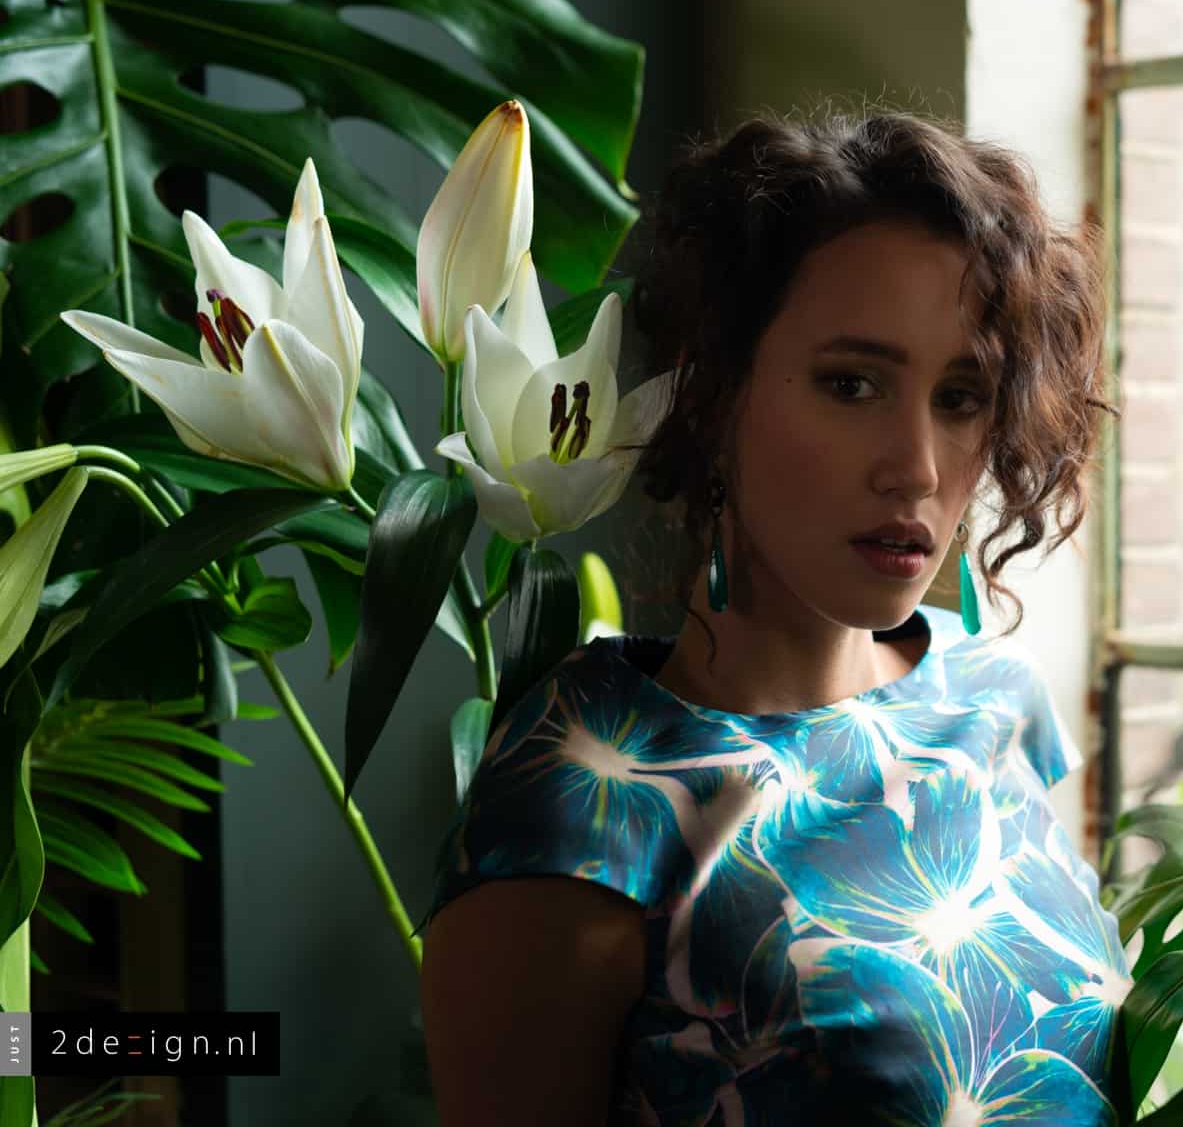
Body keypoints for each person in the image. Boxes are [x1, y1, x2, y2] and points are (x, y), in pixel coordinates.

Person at [416, 109, 1130, 1125]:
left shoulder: (991, 696)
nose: (918, 468)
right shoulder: (585, 809)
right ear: (714, 395)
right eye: (852, 384)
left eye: (961, 395)